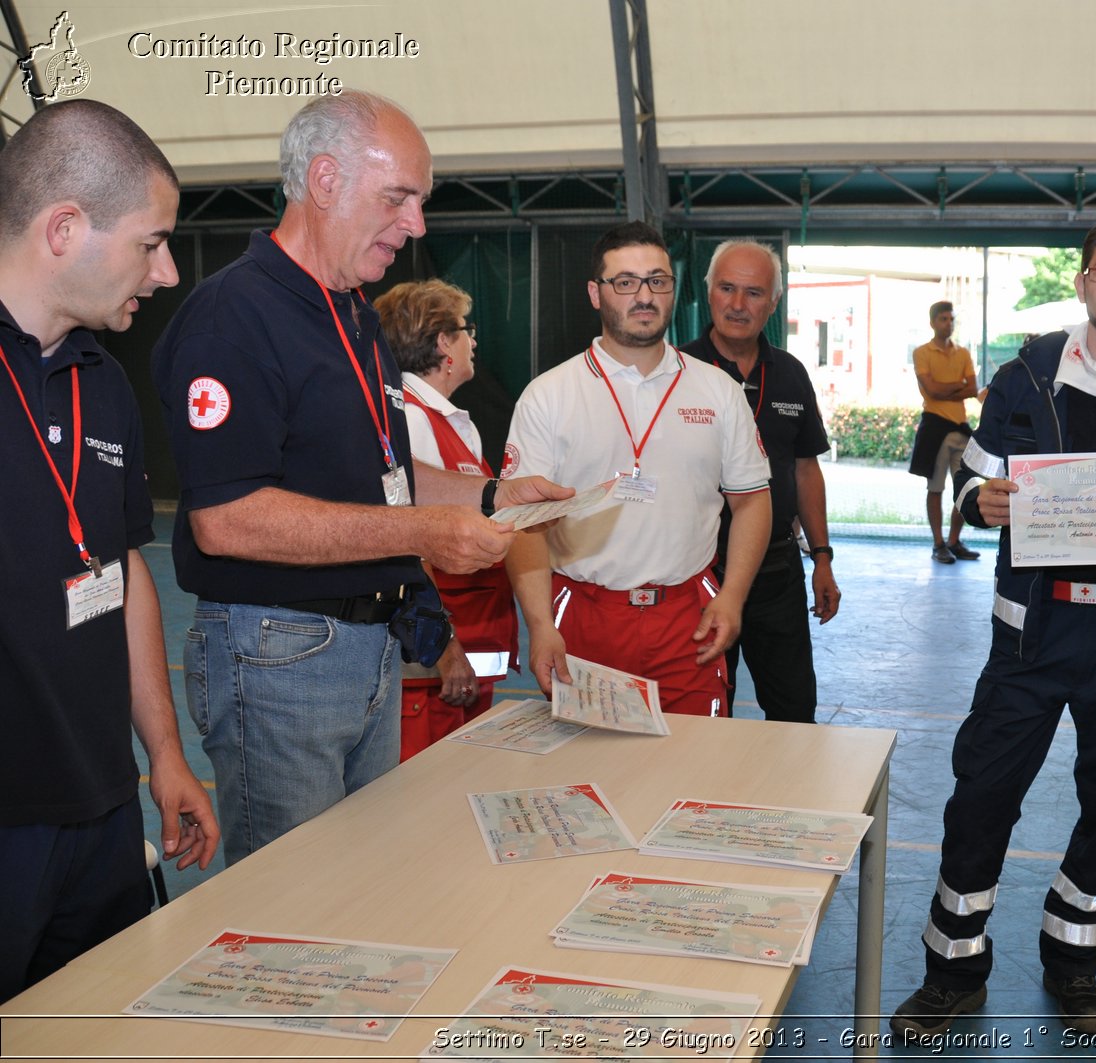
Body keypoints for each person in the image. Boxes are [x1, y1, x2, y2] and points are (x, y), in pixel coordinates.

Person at [151, 91, 569, 864]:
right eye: (399, 198)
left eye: (421, 202)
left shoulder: (350, 314)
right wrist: (425, 532)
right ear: (324, 179)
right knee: (294, 903)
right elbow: (227, 518)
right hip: (280, 653)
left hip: (367, 647)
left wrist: (488, 495)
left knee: (355, 887)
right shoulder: (232, 317)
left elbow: (382, 473)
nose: (415, 224)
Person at [890, 215, 1096, 1040]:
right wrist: (985, 503)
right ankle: (953, 970)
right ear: (1083, 281)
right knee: (981, 800)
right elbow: (974, 489)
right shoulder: (1023, 376)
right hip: (1029, 637)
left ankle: (1074, 964)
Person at [0, 100, 218, 1001]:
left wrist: (165, 754)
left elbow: (124, 570)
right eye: (151, 243)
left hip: (99, 810)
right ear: (63, 229)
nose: (166, 271)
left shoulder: (103, 382)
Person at [503, 222, 771, 715]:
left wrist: (732, 597)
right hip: (583, 618)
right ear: (595, 293)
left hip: (689, 620)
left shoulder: (718, 390)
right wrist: (540, 624)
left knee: (691, 773)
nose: (644, 296)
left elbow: (751, 499)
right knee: (592, 773)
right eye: (625, 282)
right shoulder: (549, 395)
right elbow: (523, 522)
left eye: (658, 281)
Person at [681, 240, 840, 724]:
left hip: (776, 573)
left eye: (753, 293)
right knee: (702, 716)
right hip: (698, 575)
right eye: (726, 288)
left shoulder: (790, 375)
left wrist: (823, 559)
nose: (737, 304)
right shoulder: (676, 373)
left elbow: (805, 468)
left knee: (794, 714)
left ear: (774, 303)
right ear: (708, 293)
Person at [373, 280, 519, 758]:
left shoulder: (455, 421)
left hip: (466, 661)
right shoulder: (410, 420)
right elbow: (409, 542)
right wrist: (445, 646)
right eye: (465, 330)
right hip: (436, 668)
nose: (473, 340)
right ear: (442, 342)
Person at [908, 301, 980, 564]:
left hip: (960, 430)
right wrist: (957, 386)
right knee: (935, 488)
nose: (948, 323)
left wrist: (944, 387)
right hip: (934, 428)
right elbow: (933, 392)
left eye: (951, 319)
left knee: (965, 489)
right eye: (943, 319)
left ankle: (954, 541)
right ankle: (938, 544)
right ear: (932, 322)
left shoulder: (962, 353)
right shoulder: (921, 352)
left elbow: (973, 388)